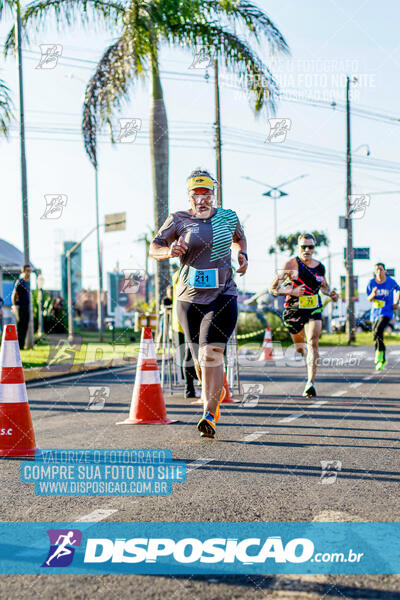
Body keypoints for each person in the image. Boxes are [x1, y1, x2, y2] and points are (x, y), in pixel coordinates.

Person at [149, 168, 248, 437]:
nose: (202, 199)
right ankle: (216, 392)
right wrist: (169, 251)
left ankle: (208, 413)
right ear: (189, 196)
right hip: (188, 299)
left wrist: (243, 255)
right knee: (198, 362)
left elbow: (240, 238)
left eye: (207, 193)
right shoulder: (178, 219)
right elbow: (154, 246)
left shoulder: (228, 217)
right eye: (197, 194)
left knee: (210, 354)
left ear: (214, 195)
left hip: (222, 294)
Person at [269, 233, 338, 397]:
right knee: (300, 347)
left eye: (310, 247)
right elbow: (273, 289)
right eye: (303, 247)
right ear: (298, 248)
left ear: (314, 248)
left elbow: (324, 286)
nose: (307, 250)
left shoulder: (320, 267)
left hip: (314, 308)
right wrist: (292, 291)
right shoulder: (291, 264)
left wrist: (330, 293)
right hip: (293, 310)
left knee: (313, 341)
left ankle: (310, 382)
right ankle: (304, 355)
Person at [171, 270, 200, 399]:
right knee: (192, 353)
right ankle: (191, 387)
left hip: (178, 317)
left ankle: (189, 388)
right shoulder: (191, 272)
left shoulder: (177, 273)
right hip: (190, 316)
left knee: (188, 352)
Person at [367, 263, 400, 370]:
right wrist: (373, 293)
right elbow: (369, 299)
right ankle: (381, 357)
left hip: (387, 312)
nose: (379, 272)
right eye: (377, 270)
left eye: (381, 270)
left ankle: (379, 357)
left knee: (378, 330)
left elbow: (398, 289)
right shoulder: (371, 283)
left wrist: (397, 302)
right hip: (375, 313)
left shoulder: (390, 281)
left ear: (385, 271)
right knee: (376, 336)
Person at [11, 264, 32, 350]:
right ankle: (19, 346)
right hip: (20, 308)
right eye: (27, 271)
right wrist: (15, 306)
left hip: (26, 307)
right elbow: (14, 294)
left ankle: (22, 346)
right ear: (22, 271)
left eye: (29, 271)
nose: (28, 273)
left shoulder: (28, 282)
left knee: (25, 326)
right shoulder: (20, 282)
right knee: (20, 327)